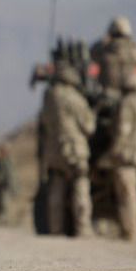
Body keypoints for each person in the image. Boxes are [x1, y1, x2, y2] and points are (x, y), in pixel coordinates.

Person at [97, 70, 136, 241]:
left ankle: (131, 233)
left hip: (128, 157)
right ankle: (132, 232)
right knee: (131, 193)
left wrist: (112, 153)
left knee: (127, 195)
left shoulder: (129, 103)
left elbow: (123, 130)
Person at [40, 62, 96, 237]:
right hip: (74, 150)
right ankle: (83, 228)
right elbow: (88, 127)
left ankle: (56, 229)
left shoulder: (49, 97)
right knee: (80, 185)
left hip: (54, 150)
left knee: (56, 187)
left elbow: (45, 123)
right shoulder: (75, 98)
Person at [90, 16, 136, 103]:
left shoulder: (103, 50)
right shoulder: (133, 51)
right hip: (129, 97)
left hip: (107, 97)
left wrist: (104, 40)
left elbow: (92, 53)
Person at [0, 144, 18, 224]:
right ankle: (2, 219)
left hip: (7, 186)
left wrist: (14, 188)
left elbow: (12, 176)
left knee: (5, 203)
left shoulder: (8, 162)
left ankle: (5, 219)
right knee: (0, 203)